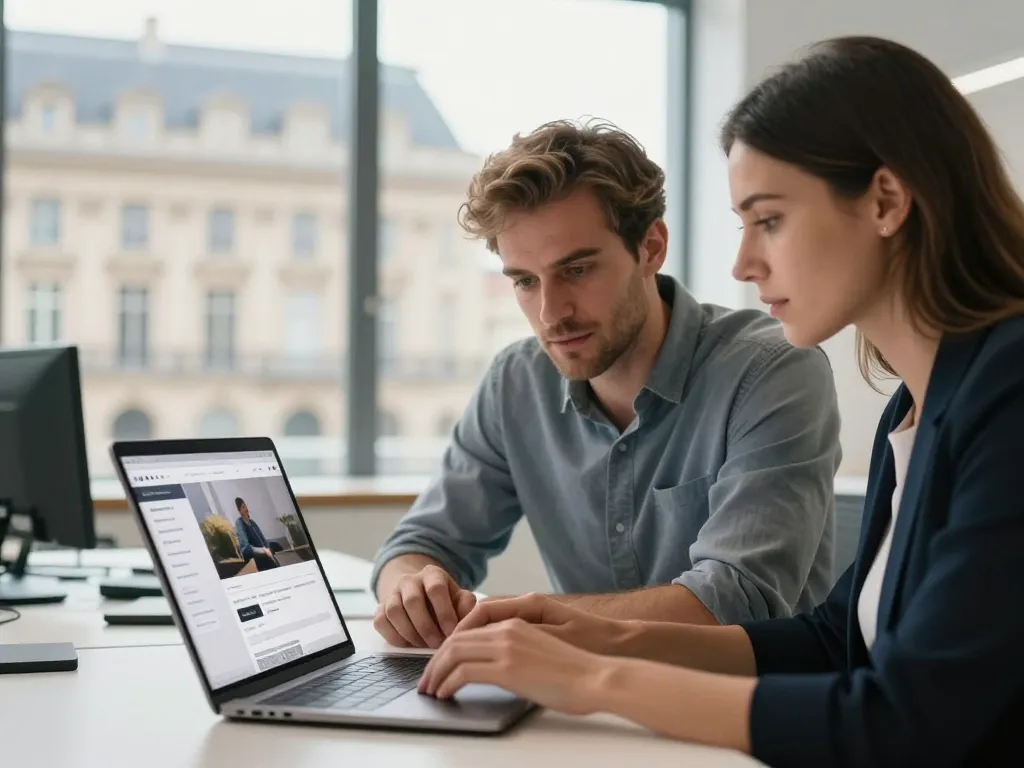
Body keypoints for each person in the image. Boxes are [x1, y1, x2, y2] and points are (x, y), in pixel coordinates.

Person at [414, 36, 1024, 766]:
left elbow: (905, 721)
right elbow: (836, 640)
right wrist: (573, 630)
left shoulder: (1010, 390)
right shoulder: (914, 405)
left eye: (768, 220)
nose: (742, 263)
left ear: (887, 201)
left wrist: (594, 676)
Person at [371, 118, 843, 650]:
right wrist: (413, 589)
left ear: (651, 247)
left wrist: (513, 621)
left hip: (748, 711)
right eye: (525, 281)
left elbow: (735, 598)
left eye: (576, 270)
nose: (551, 313)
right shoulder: (516, 383)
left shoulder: (771, 370)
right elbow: (421, 544)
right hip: (580, 706)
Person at [234, 496, 281, 571]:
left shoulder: (252, 522)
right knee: (265, 557)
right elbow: (245, 546)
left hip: (262, 549)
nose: (246, 509)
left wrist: (267, 548)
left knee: (276, 545)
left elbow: (262, 538)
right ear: (239, 511)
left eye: (245, 506)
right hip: (252, 553)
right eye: (243, 507)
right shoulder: (239, 523)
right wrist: (263, 550)